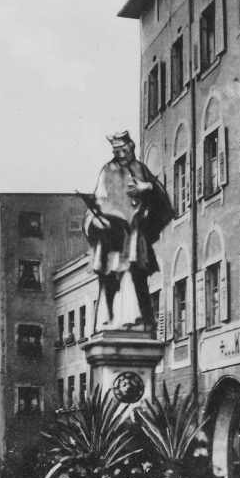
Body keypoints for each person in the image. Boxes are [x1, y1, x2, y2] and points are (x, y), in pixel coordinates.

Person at [82, 131, 174, 332]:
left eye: (124, 150)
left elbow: (162, 200)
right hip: (113, 235)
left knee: (137, 276)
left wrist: (146, 188)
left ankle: (143, 322)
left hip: (134, 233)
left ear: (131, 147)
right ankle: (108, 321)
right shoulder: (107, 171)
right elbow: (99, 201)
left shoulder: (140, 169)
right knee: (110, 278)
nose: (121, 155)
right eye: (117, 151)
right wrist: (100, 220)